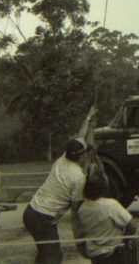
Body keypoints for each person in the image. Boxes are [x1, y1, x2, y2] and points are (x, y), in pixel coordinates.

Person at [24, 106, 98, 263]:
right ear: (81, 155)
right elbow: (76, 210)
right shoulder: (77, 178)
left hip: (30, 212)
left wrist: (88, 117)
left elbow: (80, 136)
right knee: (53, 256)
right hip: (43, 218)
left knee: (45, 254)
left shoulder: (63, 159)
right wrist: (82, 234)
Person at [74, 172, 139, 263]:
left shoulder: (82, 209)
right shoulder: (110, 205)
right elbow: (132, 225)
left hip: (96, 256)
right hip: (116, 253)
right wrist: (126, 239)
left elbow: (79, 237)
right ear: (103, 188)